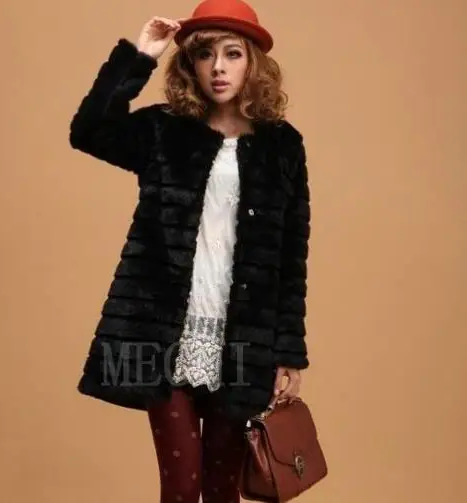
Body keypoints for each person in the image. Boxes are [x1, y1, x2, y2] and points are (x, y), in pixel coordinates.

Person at [69, 0, 311, 501]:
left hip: (244, 338)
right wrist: (141, 56)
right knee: (181, 486)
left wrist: (289, 352)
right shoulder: (164, 130)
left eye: (232, 54)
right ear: (190, 64)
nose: (218, 68)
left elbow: (292, 255)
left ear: (253, 63)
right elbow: (89, 131)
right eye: (205, 55)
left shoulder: (283, 145)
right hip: (162, 333)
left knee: (222, 489)